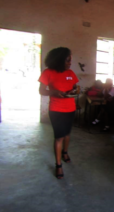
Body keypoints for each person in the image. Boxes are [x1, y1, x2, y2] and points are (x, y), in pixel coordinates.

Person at [38, 47, 79, 179]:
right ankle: (58, 165)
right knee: (59, 137)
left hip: (70, 108)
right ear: (59, 60)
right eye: (67, 60)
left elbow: (75, 87)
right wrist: (54, 92)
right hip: (56, 109)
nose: (70, 62)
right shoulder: (47, 72)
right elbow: (42, 91)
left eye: (70, 60)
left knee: (67, 134)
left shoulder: (71, 73)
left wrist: (76, 90)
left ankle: (65, 152)